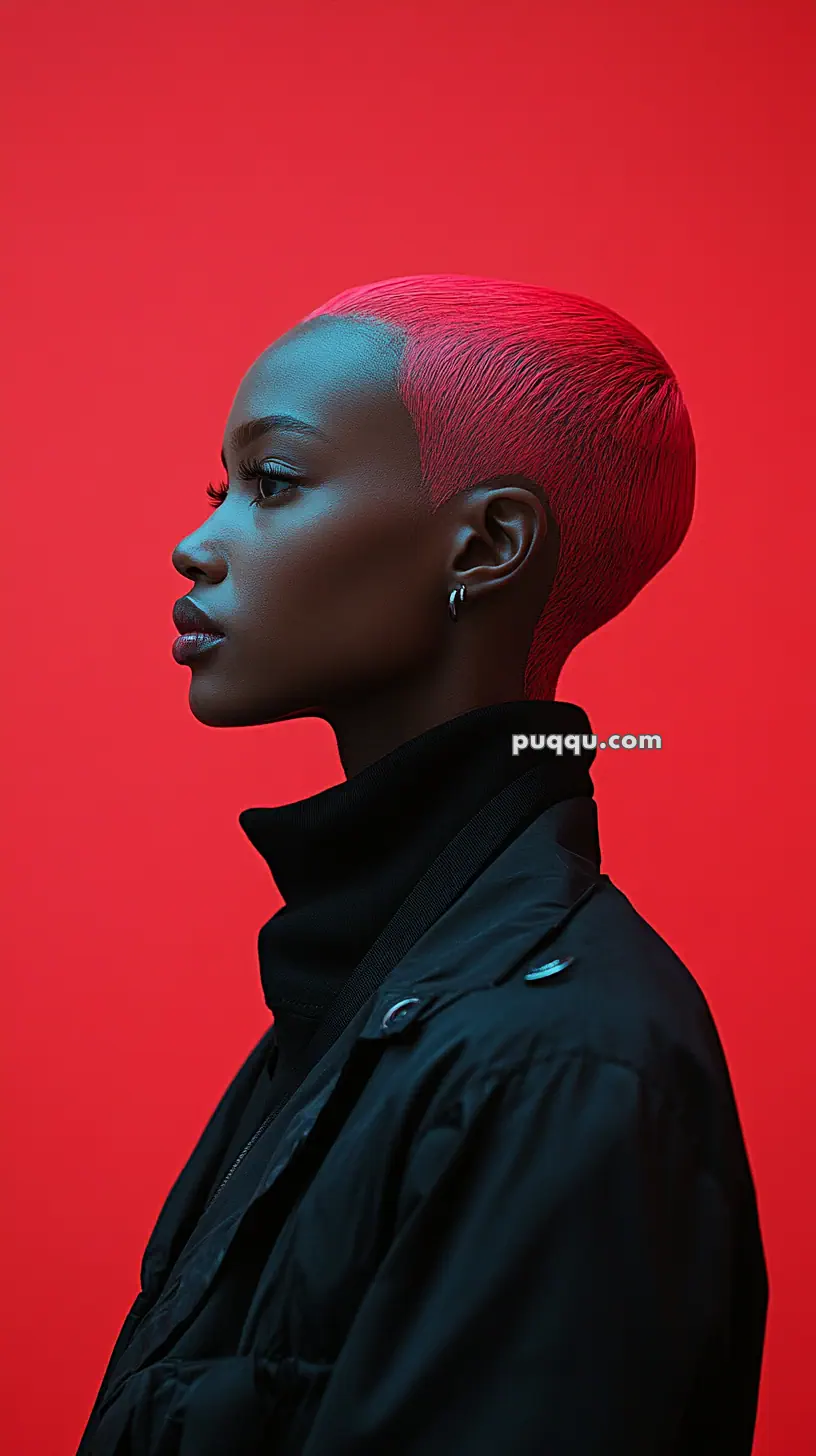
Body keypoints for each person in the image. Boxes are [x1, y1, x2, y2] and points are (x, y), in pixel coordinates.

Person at [77, 274, 768, 1455]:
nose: (197, 544)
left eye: (273, 484)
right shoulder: (377, 983)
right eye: (218, 488)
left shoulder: (561, 1063)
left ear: (489, 543)